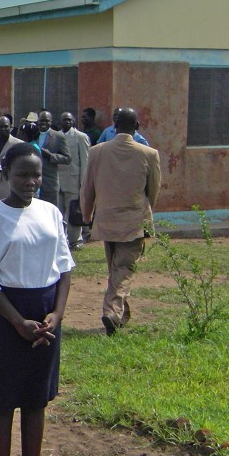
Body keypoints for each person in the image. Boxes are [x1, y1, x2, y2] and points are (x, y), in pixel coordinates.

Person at [0, 142, 74, 456]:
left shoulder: (50, 213)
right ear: (6, 176)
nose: (31, 181)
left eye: (36, 175)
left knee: (35, 402)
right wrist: (18, 322)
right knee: (3, 404)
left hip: (46, 320)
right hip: (9, 317)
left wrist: (57, 315)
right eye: (22, 175)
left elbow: (64, 268)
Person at [81, 108, 161, 335]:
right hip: (134, 221)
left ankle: (120, 315)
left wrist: (87, 215)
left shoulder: (97, 151)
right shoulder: (148, 154)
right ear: (137, 127)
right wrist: (145, 211)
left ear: (114, 126)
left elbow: (87, 189)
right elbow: (153, 190)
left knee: (116, 269)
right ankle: (112, 312)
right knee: (124, 269)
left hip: (107, 220)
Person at [58, 111, 91, 250]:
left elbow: (85, 161)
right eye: (64, 120)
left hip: (73, 180)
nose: (67, 122)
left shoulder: (80, 137)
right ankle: (60, 240)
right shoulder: (55, 136)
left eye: (69, 120)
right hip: (58, 181)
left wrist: (83, 183)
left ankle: (75, 241)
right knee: (58, 212)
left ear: (73, 122)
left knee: (74, 212)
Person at [35, 110, 71, 206]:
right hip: (33, 181)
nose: (43, 123)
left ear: (51, 122)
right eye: (41, 120)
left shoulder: (58, 136)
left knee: (49, 212)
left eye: (46, 121)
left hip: (49, 182)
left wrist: (51, 156)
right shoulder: (33, 134)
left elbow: (67, 158)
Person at [0, 115, 24, 201]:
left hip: (10, 184)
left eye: (6, 126)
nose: (3, 129)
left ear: (10, 127)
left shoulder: (19, 145)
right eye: (0, 127)